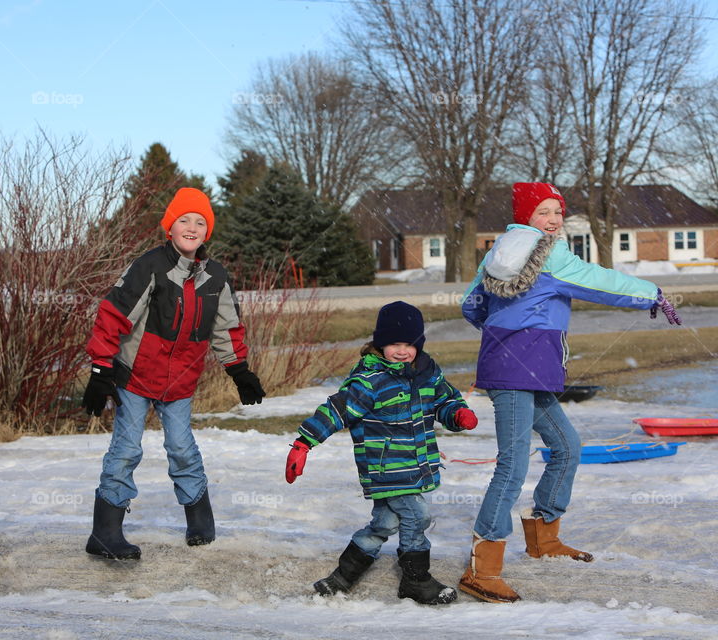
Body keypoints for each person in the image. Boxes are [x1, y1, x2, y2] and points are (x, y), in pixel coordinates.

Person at [458, 182, 682, 603]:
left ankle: (544, 536)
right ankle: (481, 570)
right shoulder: (549, 252)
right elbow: (598, 282)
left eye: (558, 212)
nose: (554, 220)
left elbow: (470, 304)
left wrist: (501, 336)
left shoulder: (498, 250)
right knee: (511, 466)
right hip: (517, 375)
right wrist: (651, 293)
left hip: (523, 370)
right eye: (545, 212)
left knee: (565, 446)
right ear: (527, 216)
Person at [82, 187, 265, 560]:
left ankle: (200, 520)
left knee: (182, 448)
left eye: (201, 222)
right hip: (134, 376)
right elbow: (113, 315)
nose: (192, 227)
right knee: (126, 448)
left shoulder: (216, 277)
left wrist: (239, 370)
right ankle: (104, 533)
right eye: (184, 220)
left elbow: (226, 328)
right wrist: (101, 369)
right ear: (170, 227)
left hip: (180, 382)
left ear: (207, 231)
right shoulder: (150, 266)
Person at [285, 301, 478, 605]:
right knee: (417, 515)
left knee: (385, 524)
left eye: (409, 344)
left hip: (417, 465)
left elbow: (444, 400)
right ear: (380, 344)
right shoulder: (370, 380)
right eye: (393, 344)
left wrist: (457, 414)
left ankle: (342, 577)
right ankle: (416, 581)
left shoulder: (427, 372)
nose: (402, 351)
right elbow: (337, 410)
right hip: (385, 466)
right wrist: (304, 443)